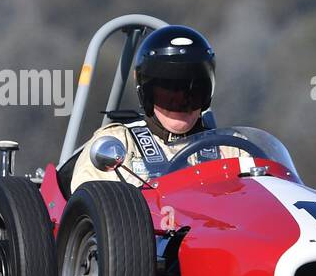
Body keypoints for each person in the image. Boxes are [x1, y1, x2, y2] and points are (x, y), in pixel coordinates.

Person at [69, 24, 247, 192]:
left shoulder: (232, 146)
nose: (180, 102)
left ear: (207, 93)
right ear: (147, 94)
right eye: (168, 91)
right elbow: (89, 211)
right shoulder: (114, 145)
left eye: (192, 92)